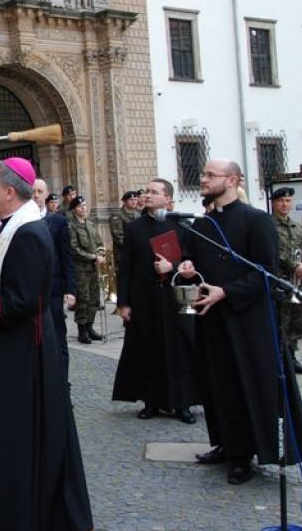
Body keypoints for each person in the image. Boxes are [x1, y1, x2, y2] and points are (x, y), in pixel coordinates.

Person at [0, 137, 93, 531]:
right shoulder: (9, 221)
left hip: (20, 353)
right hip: (7, 346)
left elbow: (20, 304)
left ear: (10, 192)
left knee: (10, 432)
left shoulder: (28, 234)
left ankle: (10, 512)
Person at [178, 159, 302, 485]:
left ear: (233, 180)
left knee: (243, 385)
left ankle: (246, 453)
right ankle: (226, 443)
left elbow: (266, 273)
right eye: (205, 174)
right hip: (212, 318)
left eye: (211, 175)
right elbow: (191, 261)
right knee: (216, 382)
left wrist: (225, 291)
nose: (204, 178)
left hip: (247, 321)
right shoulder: (203, 223)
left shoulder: (257, 221)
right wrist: (185, 267)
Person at [111, 179, 198, 423]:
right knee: (147, 348)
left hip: (175, 298)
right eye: (146, 191)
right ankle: (151, 401)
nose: (147, 195)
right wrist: (124, 303)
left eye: (153, 192)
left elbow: (194, 261)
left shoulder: (183, 226)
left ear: (168, 199)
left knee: (179, 349)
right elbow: (126, 267)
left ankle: (182, 402)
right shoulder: (135, 227)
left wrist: (173, 267)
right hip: (144, 298)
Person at [270, 186, 302, 375]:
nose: (285, 204)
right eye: (281, 201)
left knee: (300, 318)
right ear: (274, 203)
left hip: (299, 281)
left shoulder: (296, 227)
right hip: (282, 280)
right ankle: (281, 360)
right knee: (283, 319)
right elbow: (275, 251)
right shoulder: (269, 225)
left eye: (288, 201)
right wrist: (293, 266)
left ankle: (292, 357)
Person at [33, 178, 77, 368]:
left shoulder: (59, 222)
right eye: (33, 191)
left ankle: (62, 381)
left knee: (58, 335)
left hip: (54, 288)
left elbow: (66, 256)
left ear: (47, 193)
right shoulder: (20, 220)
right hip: (31, 289)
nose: (36, 195)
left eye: (40, 191)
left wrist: (71, 288)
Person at [69, 195, 106, 344]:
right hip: (81, 268)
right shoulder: (71, 227)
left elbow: (99, 243)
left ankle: (90, 327)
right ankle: (82, 331)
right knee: (83, 299)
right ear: (73, 210)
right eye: (80, 206)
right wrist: (92, 257)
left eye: (84, 205)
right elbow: (74, 248)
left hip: (93, 268)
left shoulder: (90, 225)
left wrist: (101, 255)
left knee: (94, 299)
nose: (83, 208)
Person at [109, 190, 139, 271]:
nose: (134, 202)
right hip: (123, 253)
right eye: (131, 200)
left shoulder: (137, 214)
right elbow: (118, 236)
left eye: (135, 199)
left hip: (137, 253)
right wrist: (132, 247)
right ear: (125, 202)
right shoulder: (117, 216)